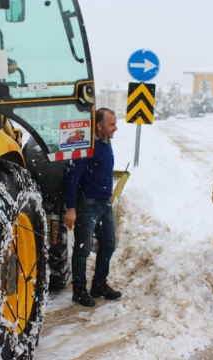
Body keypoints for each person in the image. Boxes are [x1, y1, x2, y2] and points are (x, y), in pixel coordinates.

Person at [63, 107, 122, 307]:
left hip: (104, 203)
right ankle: (79, 290)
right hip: (87, 204)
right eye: (112, 124)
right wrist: (71, 208)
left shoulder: (106, 144)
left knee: (108, 245)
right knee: (83, 249)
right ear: (99, 126)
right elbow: (72, 178)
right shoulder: (86, 147)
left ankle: (99, 284)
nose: (116, 128)